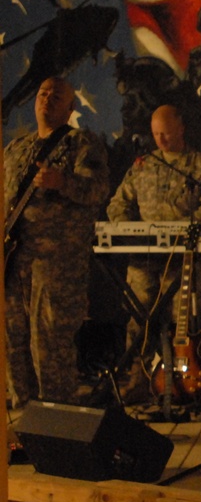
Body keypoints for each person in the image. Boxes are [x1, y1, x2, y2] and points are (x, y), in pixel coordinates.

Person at [4, 77, 110, 407]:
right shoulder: (15, 149)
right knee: (13, 344)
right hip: (14, 262)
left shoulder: (81, 144)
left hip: (57, 264)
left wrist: (61, 181)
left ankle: (57, 429)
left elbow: (97, 191)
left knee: (49, 347)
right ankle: (25, 429)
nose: (47, 99)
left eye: (57, 95)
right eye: (42, 93)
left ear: (70, 107)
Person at [106, 105, 201, 404]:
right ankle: (138, 379)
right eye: (156, 134)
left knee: (180, 320)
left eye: (166, 132)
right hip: (143, 259)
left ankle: (180, 382)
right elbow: (118, 203)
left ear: (181, 128)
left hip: (183, 259)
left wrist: (184, 228)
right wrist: (130, 230)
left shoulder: (199, 166)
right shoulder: (143, 165)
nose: (161, 140)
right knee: (138, 317)